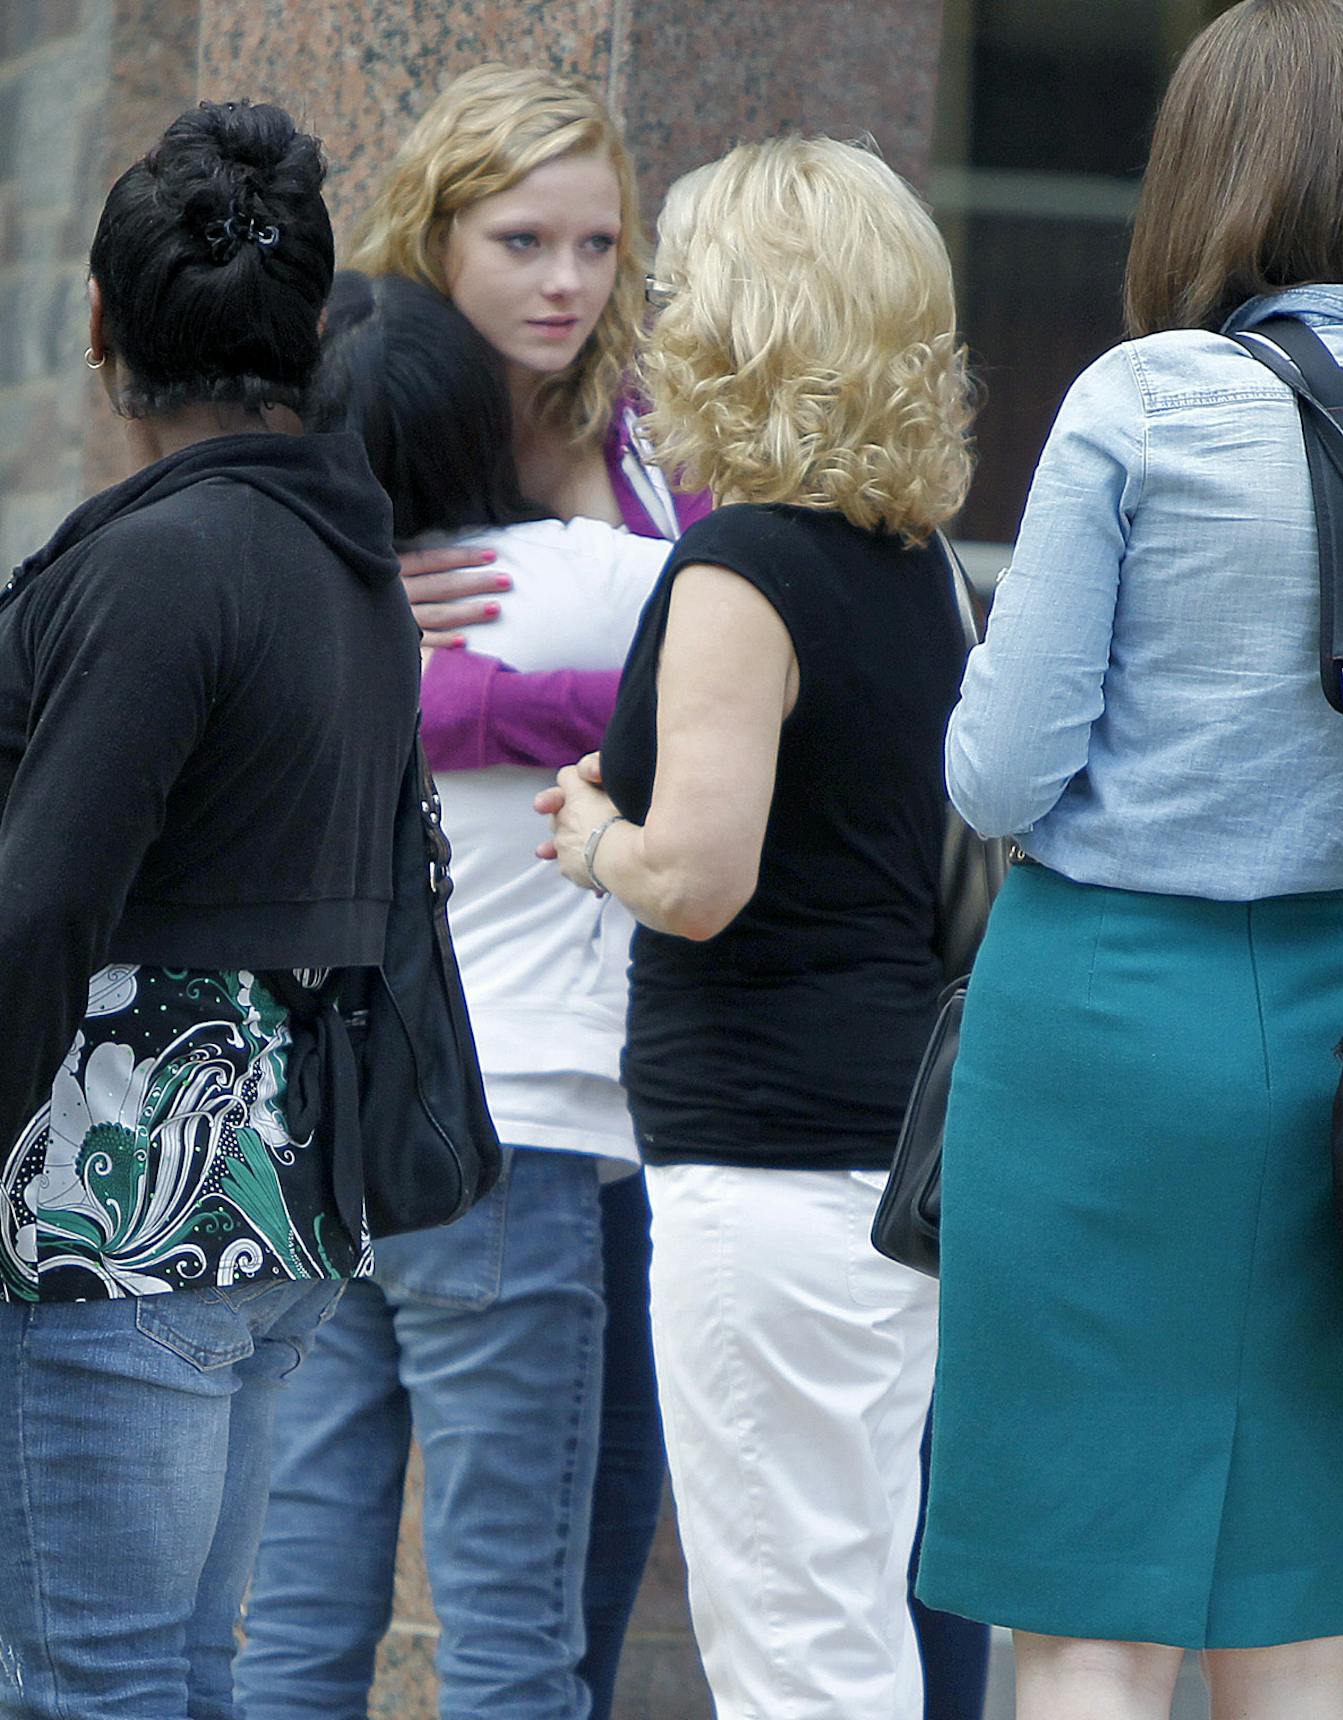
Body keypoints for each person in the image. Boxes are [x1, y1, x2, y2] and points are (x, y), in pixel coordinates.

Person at [913, 5, 1343, 1717]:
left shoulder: (1142, 402)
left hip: (1094, 1023)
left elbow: (999, 769)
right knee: (1292, 1627)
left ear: (1200, 181)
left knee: (1084, 1623)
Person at [270, 65, 702, 1719]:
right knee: (480, 1602)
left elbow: (753, 702)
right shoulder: (349, 414)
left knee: (569, 1556)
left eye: (598, 243)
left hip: (624, 1076)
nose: (568, 283)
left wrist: (517, 699)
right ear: (434, 239)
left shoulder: (658, 447)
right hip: (477, 1081)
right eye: (524, 240)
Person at [539, 135, 975, 1720]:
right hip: (883, 1153)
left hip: (764, 1160)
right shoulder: (915, 567)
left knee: (794, 1650)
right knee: (851, 1613)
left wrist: (597, 837)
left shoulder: (739, 567)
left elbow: (701, 880)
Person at [0, 101, 417, 1718]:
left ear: (97, 326)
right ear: (302, 332)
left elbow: (41, 912)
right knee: (177, 1673)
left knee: (84, 1687)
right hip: (277, 1195)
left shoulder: (158, 566)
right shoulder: (348, 560)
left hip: (117, 1211)